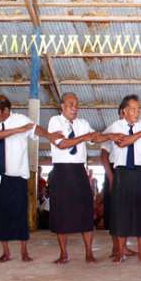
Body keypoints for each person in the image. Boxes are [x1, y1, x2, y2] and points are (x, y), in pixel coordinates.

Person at [0, 95, 51, 263]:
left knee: (20, 214)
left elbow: (35, 129)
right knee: (0, 215)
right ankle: (6, 252)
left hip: (18, 176)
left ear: (6, 110)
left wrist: (50, 135)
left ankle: (24, 251)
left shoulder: (20, 119)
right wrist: (18, 130)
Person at [99, 95, 141, 262]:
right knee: (121, 213)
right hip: (121, 173)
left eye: (138, 109)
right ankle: (120, 252)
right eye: (134, 109)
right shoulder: (115, 126)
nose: (137, 112)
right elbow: (104, 142)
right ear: (124, 111)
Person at [46, 93, 100, 263]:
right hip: (61, 171)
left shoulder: (83, 123)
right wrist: (84, 137)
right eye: (70, 104)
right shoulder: (55, 121)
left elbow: (95, 137)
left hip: (79, 171)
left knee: (86, 211)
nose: (74, 108)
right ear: (62, 106)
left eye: (76, 104)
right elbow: (61, 144)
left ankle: (89, 253)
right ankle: (63, 254)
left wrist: (112, 136)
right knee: (61, 213)